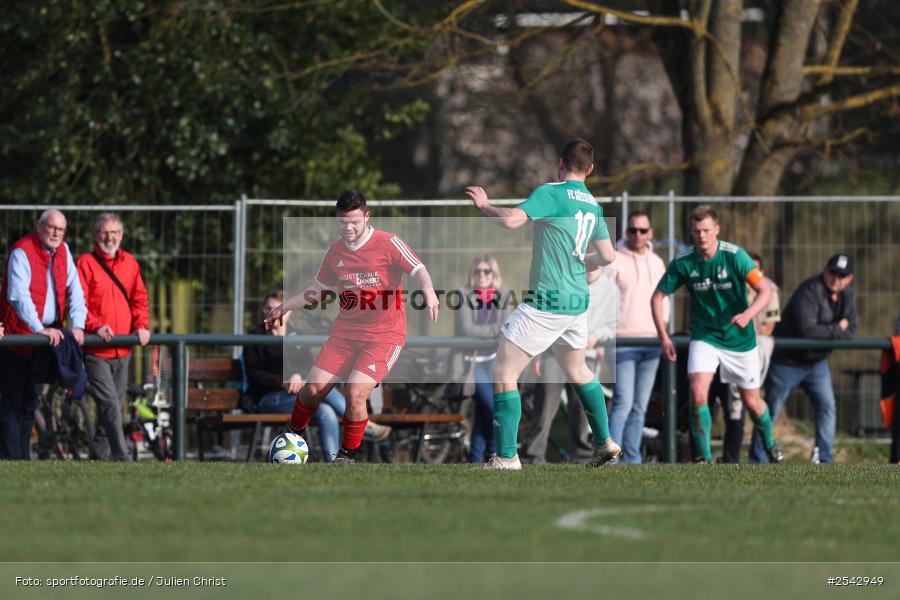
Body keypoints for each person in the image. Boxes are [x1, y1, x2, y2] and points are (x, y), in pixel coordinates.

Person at [466, 137, 620, 470]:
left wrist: (485, 207)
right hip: (578, 301)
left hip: (547, 301)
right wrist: (582, 260)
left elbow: (511, 220)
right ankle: (604, 441)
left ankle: (506, 457)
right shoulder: (593, 205)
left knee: (503, 371)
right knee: (578, 370)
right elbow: (608, 255)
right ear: (590, 169)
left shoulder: (552, 192)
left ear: (561, 163)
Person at [264, 190, 439, 464]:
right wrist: (285, 306)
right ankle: (291, 438)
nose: (349, 228)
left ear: (367, 217)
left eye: (355, 222)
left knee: (356, 392)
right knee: (311, 391)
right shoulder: (335, 252)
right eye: (343, 222)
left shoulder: (389, 243)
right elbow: (317, 291)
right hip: (345, 335)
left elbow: (418, 269)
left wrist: (428, 290)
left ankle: (346, 457)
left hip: (384, 336)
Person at [650, 204, 784, 464]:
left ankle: (770, 443)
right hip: (705, 336)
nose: (701, 236)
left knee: (752, 403)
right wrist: (664, 337)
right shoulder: (684, 261)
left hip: (739, 339)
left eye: (706, 230)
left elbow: (765, 291)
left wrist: (748, 314)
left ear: (717, 230)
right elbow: (657, 297)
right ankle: (704, 457)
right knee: (698, 392)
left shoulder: (735, 256)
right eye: (697, 230)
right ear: (691, 231)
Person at [245, 290, 390, 462]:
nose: (270, 313)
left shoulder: (297, 336)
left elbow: (308, 366)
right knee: (322, 401)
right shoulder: (255, 336)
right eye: (267, 308)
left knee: (325, 410)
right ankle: (358, 427)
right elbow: (255, 375)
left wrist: (298, 375)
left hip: (296, 394)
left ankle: (335, 461)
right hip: (267, 397)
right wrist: (283, 382)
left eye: (277, 308)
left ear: (289, 312)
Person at [750, 254, 858, 464]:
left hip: (817, 363)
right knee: (768, 410)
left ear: (849, 279)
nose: (836, 279)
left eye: (842, 275)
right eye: (833, 272)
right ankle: (759, 459)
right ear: (825, 270)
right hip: (786, 362)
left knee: (827, 407)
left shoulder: (848, 295)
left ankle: (824, 459)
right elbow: (808, 330)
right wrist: (838, 328)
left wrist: (834, 331)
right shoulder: (809, 290)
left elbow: (852, 330)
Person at [0, 209, 87, 460]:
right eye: (51, 228)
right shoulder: (22, 251)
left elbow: (76, 290)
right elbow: (18, 296)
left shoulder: (64, 252)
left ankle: (23, 460)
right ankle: (9, 460)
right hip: (18, 338)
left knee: (30, 403)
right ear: (40, 227)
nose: (56, 234)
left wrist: (78, 324)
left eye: (61, 229)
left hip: (44, 340)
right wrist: (39, 328)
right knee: (11, 404)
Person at [75, 213, 151, 461]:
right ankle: (122, 454)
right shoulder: (85, 263)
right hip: (97, 350)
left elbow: (139, 299)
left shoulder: (130, 262)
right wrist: (95, 326)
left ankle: (98, 457)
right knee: (109, 404)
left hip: (124, 349)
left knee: (113, 407)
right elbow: (79, 303)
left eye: (114, 232)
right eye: (104, 232)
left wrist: (141, 325)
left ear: (122, 235)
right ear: (96, 236)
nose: (110, 237)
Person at [521, 267, 615, 464]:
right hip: (553, 352)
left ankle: (582, 455)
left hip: (585, 355)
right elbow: (543, 315)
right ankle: (533, 454)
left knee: (581, 408)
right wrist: (537, 354)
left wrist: (597, 336)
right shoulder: (563, 278)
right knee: (545, 405)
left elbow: (613, 324)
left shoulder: (610, 289)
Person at [608, 211, 668, 464]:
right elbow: (603, 299)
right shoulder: (614, 259)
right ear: (626, 231)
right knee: (623, 401)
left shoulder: (657, 262)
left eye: (643, 230)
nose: (637, 235)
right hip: (623, 341)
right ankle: (610, 456)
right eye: (633, 230)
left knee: (640, 405)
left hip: (651, 342)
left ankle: (632, 458)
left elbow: (666, 301)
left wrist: (662, 331)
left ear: (650, 233)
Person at [711, 251, 780, 463]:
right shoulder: (726, 286)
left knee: (750, 402)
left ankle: (768, 449)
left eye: (756, 269)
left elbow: (769, 326)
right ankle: (705, 457)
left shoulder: (769, 290)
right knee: (707, 399)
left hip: (749, 352)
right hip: (723, 349)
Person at [450, 255, 513, 463]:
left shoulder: (503, 294)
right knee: (495, 409)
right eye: (478, 271)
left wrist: (491, 332)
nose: (482, 275)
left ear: (494, 274)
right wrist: (495, 331)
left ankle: (477, 458)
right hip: (472, 364)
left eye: (487, 271)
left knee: (485, 414)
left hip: (497, 363)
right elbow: (468, 329)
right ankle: (494, 454)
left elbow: (509, 325)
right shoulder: (463, 294)